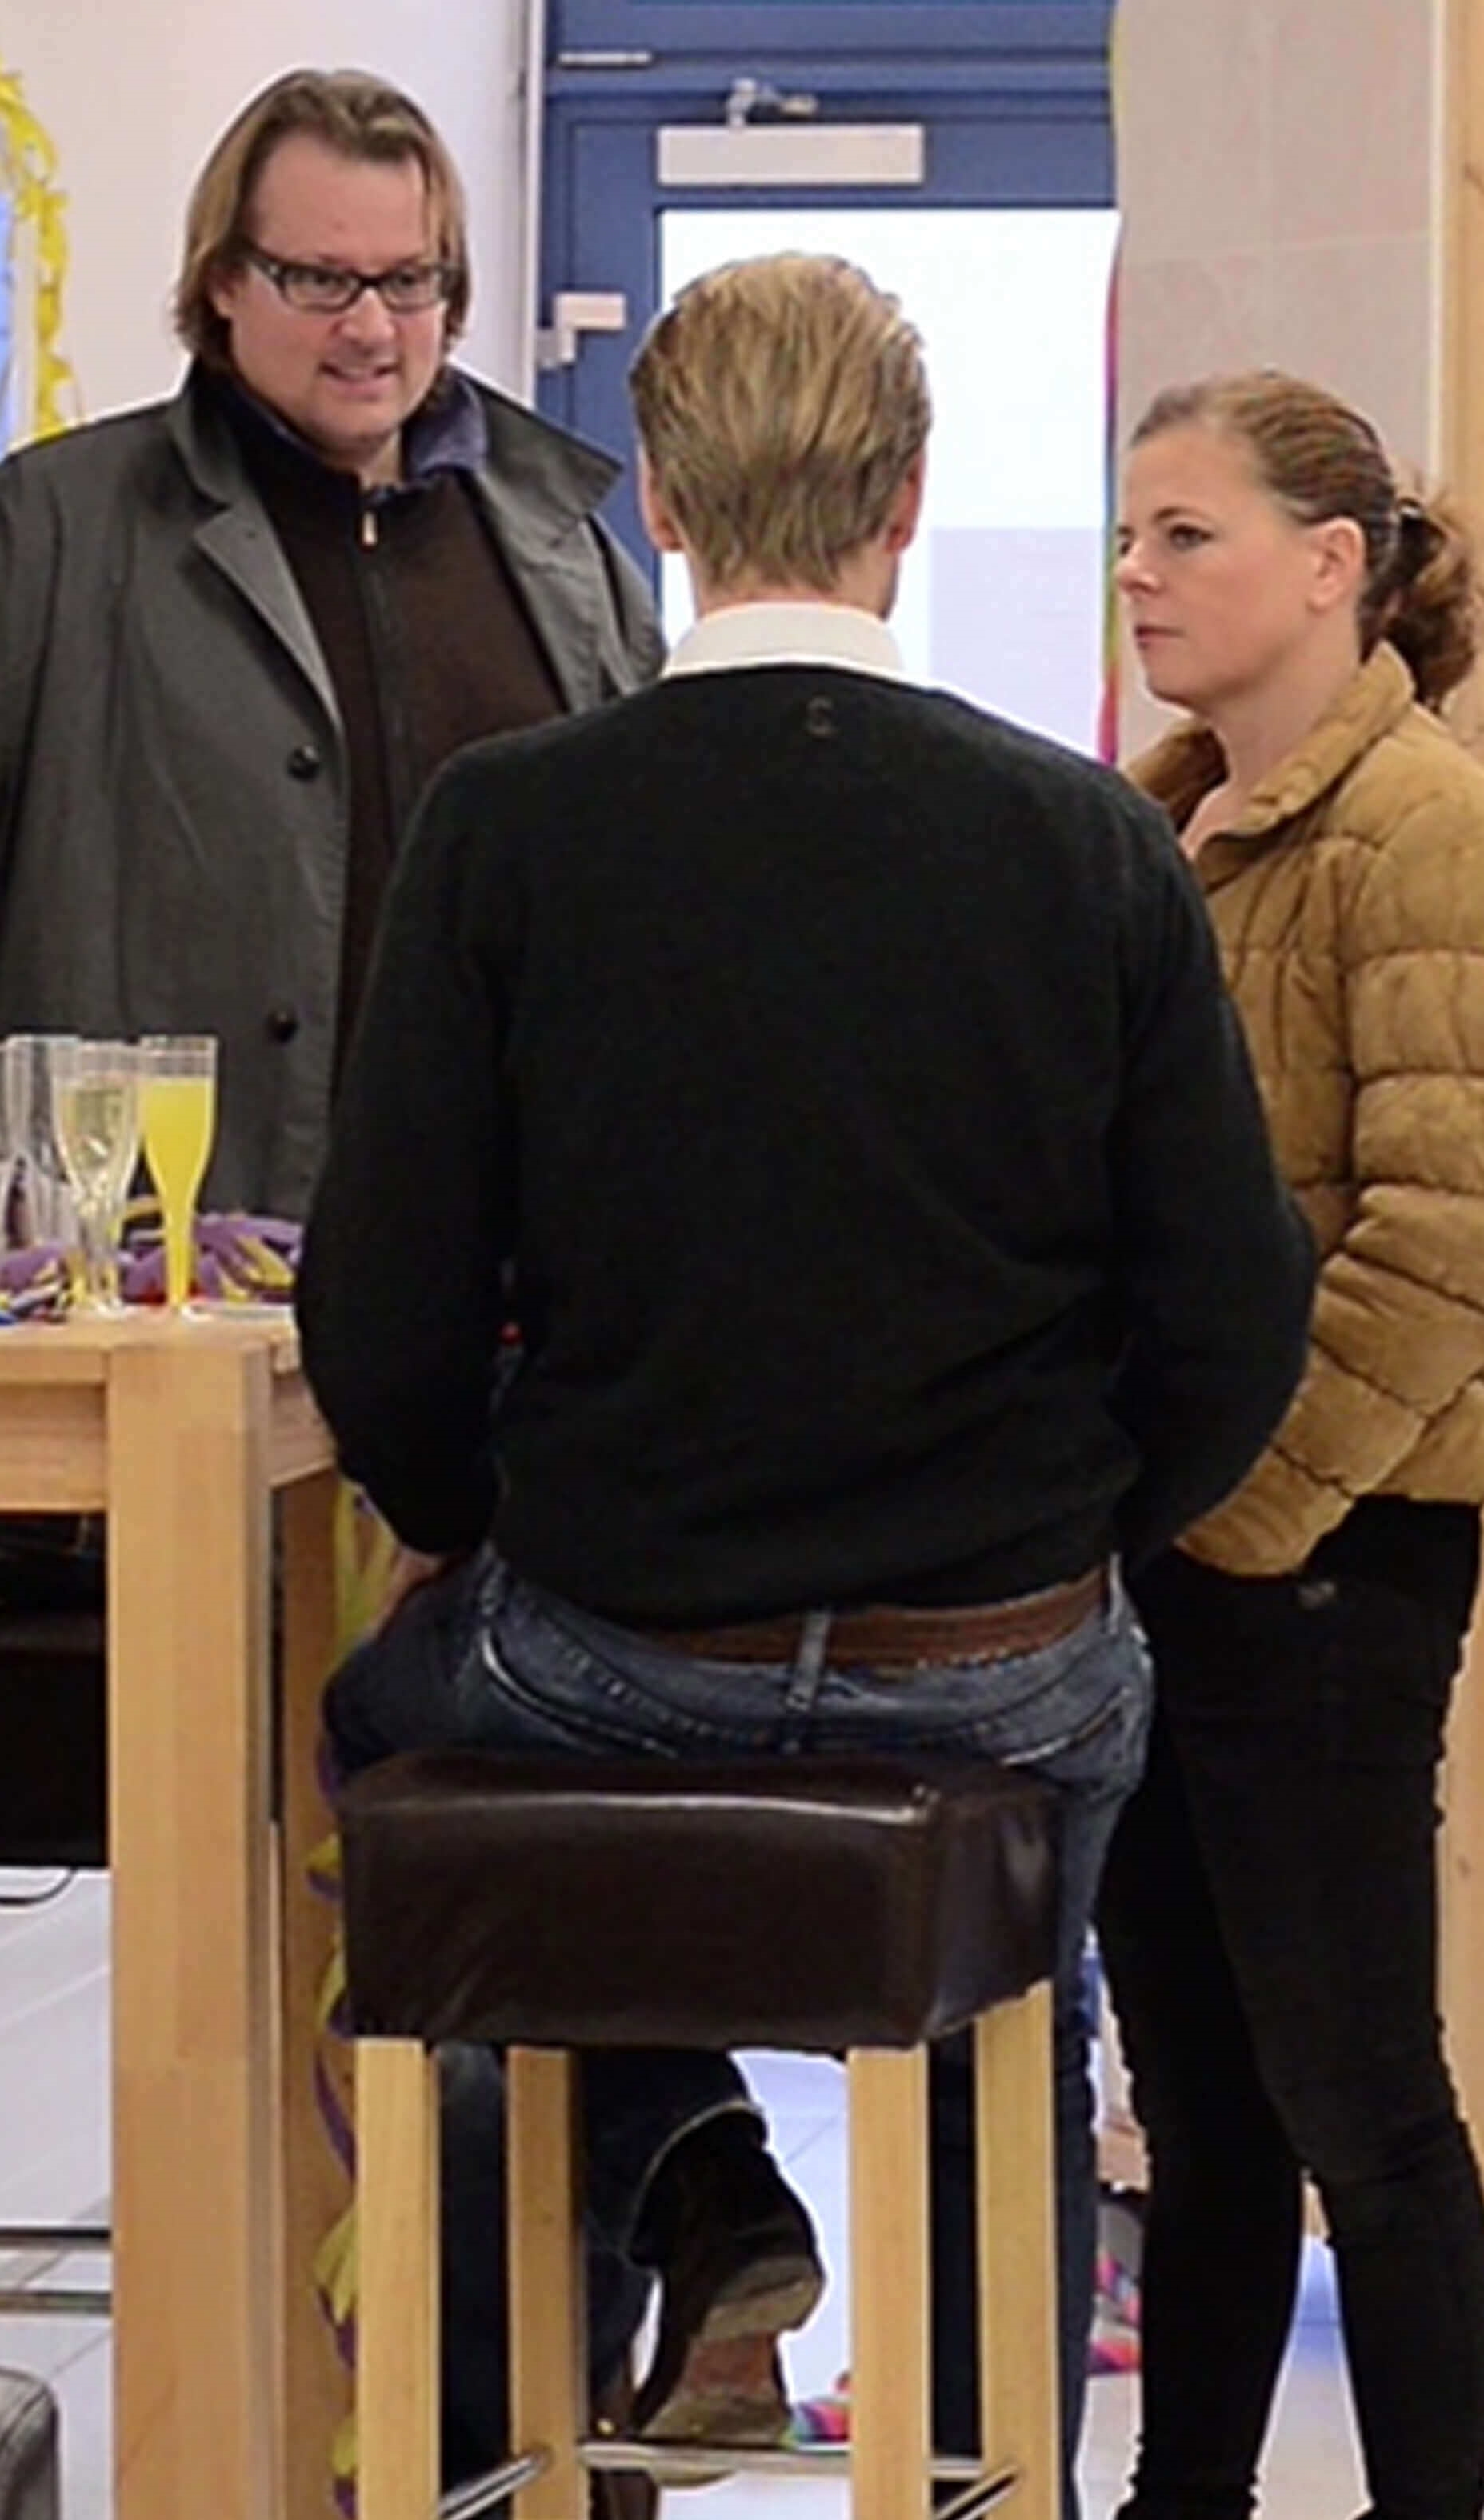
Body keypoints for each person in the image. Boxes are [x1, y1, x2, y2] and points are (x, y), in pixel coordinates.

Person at [300, 252, 1310, 2506]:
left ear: (656, 500)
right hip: (1002, 1665)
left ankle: (661, 2205)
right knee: (1008, 1959)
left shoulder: (511, 829)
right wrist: (1067, 1526)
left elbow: (373, 1331)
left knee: (389, 1714)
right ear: (913, 500)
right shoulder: (1088, 842)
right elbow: (1239, 1323)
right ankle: (985, 2441)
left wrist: (496, 1507)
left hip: (625, 1645)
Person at [1100, 370, 1484, 2520]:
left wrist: (1255, 1500)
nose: (1139, 573)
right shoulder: (1152, 818)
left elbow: (1454, 1238)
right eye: (1129, 534)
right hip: (1165, 1557)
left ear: (1328, 564)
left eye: (1185, 533)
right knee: (1194, 2117)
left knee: (1362, 2102)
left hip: (1328, 1558)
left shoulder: (1434, 833)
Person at [0, 66, 654, 1219]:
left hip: (509, 1287)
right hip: (165, 1286)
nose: (369, 327)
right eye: (318, 280)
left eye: (407, 280)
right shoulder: (54, 532)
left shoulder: (566, 559)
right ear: (221, 288)